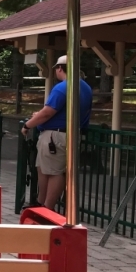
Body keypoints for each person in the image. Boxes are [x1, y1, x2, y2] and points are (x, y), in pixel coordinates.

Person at [21, 55, 93, 209]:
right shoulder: (86, 88)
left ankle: (47, 207)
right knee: (44, 168)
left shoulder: (62, 88)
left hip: (55, 135)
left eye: (56, 68)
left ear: (60, 68)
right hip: (71, 133)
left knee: (54, 172)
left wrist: (28, 125)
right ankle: (41, 203)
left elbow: (47, 112)